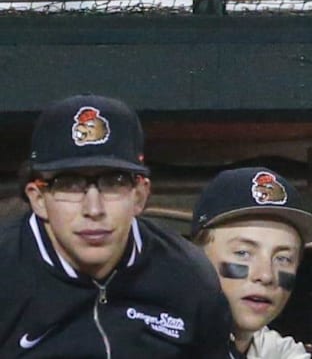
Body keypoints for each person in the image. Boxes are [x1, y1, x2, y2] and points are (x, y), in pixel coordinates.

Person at [0, 94, 231, 358]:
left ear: (140, 196)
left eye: (114, 182)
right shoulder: (6, 271)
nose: (94, 209)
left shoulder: (188, 275)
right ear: (38, 199)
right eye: (69, 184)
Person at [191, 167, 312, 359]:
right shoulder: (155, 343)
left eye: (283, 258)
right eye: (243, 253)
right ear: (195, 256)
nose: (266, 275)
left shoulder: (275, 351)